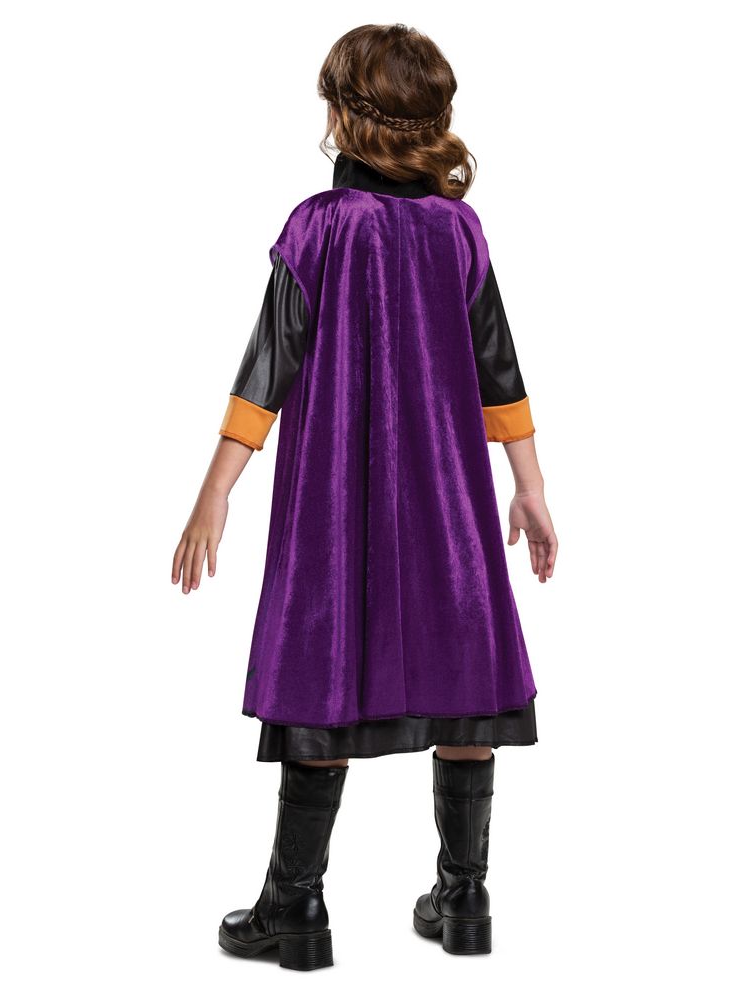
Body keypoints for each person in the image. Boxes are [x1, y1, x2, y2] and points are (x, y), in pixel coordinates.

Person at [171, 23, 558, 970]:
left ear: (347, 117)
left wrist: (215, 490)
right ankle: (465, 898)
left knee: (325, 657)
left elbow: (270, 363)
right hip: (448, 497)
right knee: (466, 662)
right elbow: (499, 365)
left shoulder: (321, 226)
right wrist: (530, 485)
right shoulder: (458, 231)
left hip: (336, 496)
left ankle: (295, 906)